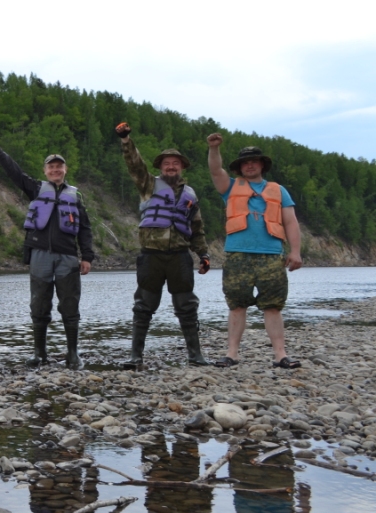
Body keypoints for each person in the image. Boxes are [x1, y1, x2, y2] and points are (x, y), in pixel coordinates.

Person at [0, 134, 94, 369]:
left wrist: (87, 257)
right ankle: (39, 353)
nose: (55, 170)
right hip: (40, 254)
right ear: (45, 171)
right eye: (51, 167)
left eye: (59, 167)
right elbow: (14, 172)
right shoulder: (35, 188)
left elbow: (84, 228)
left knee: (70, 304)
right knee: (39, 304)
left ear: (65, 170)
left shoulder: (75, 197)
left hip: (67, 256)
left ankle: (73, 354)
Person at [115, 122, 212, 368]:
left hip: (179, 256)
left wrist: (203, 254)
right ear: (160, 167)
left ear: (181, 167)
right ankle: (136, 356)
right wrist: (126, 140)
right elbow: (134, 164)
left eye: (175, 163)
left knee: (187, 306)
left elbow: (196, 229)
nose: (171, 166)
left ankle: (195, 355)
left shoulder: (190, 194)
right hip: (151, 256)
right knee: (143, 305)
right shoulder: (148, 184)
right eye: (167, 163)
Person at [206, 137, 303, 368]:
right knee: (237, 305)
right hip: (237, 255)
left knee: (273, 306)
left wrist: (295, 252)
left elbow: (290, 222)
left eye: (254, 162)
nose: (250, 165)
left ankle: (280, 355)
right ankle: (232, 354)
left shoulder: (278, 190)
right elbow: (214, 169)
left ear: (262, 165)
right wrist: (214, 147)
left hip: (271, 256)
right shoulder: (229, 187)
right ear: (240, 167)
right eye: (245, 162)